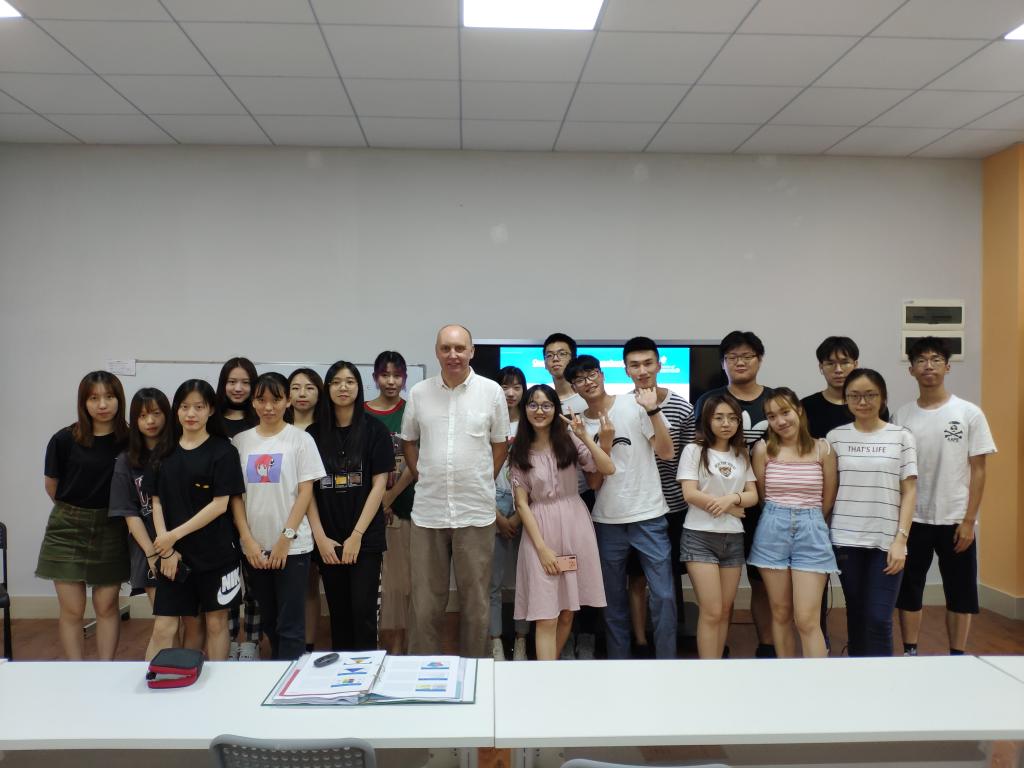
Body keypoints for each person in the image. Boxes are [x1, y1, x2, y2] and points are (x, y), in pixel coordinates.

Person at [401, 325, 510, 658]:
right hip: (428, 513)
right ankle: (422, 670)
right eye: (446, 348)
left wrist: (482, 479)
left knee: (476, 601)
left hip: (475, 512)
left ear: (471, 351)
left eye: (460, 348)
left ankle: (476, 668)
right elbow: (408, 441)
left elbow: (500, 445)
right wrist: (423, 475)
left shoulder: (491, 392)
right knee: (424, 603)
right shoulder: (419, 393)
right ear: (437, 351)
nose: (453, 355)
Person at [565, 354, 677, 659]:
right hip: (607, 520)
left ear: (602, 375)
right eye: (579, 379)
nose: (587, 382)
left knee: (664, 596)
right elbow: (594, 483)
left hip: (649, 515)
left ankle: (668, 663)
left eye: (591, 374)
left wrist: (652, 410)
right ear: (573, 387)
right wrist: (600, 442)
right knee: (612, 601)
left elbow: (667, 452)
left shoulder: (633, 405)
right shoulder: (577, 425)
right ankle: (619, 663)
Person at [894, 337, 996, 656]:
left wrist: (969, 520)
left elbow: (979, 470)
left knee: (961, 592)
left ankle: (957, 655)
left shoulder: (968, 413)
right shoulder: (902, 416)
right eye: (921, 360)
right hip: (914, 518)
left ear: (948, 367)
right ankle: (910, 651)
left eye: (936, 359)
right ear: (911, 369)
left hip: (955, 519)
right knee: (910, 589)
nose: (929, 366)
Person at [509, 384, 614, 659]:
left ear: (555, 409)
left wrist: (585, 436)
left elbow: (607, 468)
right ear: (525, 409)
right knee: (546, 615)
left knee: (568, 611)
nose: (539, 410)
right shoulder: (519, 451)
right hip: (540, 532)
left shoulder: (569, 441)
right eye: (533, 404)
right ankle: (546, 676)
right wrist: (542, 549)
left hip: (575, 527)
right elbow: (521, 504)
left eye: (546, 405)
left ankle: (549, 672)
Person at [148, 379, 245, 661]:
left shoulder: (224, 451)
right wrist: (166, 548)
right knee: (164, 625)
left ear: (211, 410)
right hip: (173, 556)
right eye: (185, 407)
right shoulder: (163, 452)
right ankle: (153, 678)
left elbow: (220, 505)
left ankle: (217, 682)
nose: (191, 413)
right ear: (176, 410)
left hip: (217, 554)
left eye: (199, 407)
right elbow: (156, 502)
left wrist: (172, 536)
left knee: (216, 623)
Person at [231, 372, 326, 660]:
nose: (268, 407)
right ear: (253, 402)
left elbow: (306, 492)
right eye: (261, 400)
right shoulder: (240, 441)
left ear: (287, 401)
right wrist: (247, 540)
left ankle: (291, 680)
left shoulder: (301, 440)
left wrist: (286, 538)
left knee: (291, 624)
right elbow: (235, 496)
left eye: (276, 399)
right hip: (255, 548)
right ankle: (277, 673)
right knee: (269, 621)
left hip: (293, 547)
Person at [38, 371, 130, 660]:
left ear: (119, 399)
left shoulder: (130, 439)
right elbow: (52, 486)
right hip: (67, 528)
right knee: (72, 609)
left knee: (106, 606)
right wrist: (77, 511)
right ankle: (76, 671)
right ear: (83, 402)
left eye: (109, 397)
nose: (102, 404)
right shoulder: (64, 439)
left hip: (112, 527)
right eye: (94, 398)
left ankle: (105, 670)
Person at [693, 330, 774, 658]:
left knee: (763, 580)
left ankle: (767, 646)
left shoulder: (775, 400)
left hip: (767, 506)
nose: (740, 362)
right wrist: (729, 504)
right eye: (732, 357)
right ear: (723, 363)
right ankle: (716, 649)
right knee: (718, 599)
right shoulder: (708, 400)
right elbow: (697, 452)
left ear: (759, 360)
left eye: (747, 356)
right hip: (719, 508)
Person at [828, 369, 917, 657]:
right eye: (854, 395)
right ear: (845, 399)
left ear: (883, 398)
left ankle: (883, 678)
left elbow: (910, 490)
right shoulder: (836, 437)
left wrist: (901, 540)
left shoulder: (901, 436)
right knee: (856, 612)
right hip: (846, 539)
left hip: (887, 541)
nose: (863, 401)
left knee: (879, 618)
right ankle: (858, 673)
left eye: (870, 395)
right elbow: (831, 488)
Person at [308, 361, 394, 651]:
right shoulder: (313, 434)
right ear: (327, 388)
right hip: (327, 539)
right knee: (339, 615)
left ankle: (366, 672)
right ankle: (342, 675)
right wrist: (320, 537)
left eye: (349, 381)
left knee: (364, 613)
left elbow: (379, 485)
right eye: (335, 382)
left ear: (359, 387)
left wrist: (357, 535)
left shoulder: (375, 430)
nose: (342, 388)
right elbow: (307, 491)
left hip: (365, 538)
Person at [748, 388, 838, 658]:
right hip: (772, 529)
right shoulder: (763, 449)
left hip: (812, 529)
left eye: (785, 412)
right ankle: (785, 675)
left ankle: (816, 679)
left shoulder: (823, 449)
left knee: (807, 619)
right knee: (780, 612)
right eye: (771, 416)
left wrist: (808, 520)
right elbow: (762, 496)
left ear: (798, 410)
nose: (780, 421)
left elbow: (828, 499)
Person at [622, 336, 696, 655]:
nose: (642, 371)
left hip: (674, 505)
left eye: (648, 363)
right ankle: (640, 640)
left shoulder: (682, 406)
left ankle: (668, 639)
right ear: (626, 370)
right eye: (635, 365)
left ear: (659, 365)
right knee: (636, 577)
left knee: (669, 578)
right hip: (637, 506)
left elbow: (690, 458)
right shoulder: (622, 406)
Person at [677, 393, 757, 660]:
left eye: (732, 418)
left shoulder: (741, 453)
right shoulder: (694, 450)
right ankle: (707, 670)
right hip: (699, 536)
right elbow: (689, 493)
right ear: (707, 420)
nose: (726, 423)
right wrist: (729, 507)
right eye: (719, 417)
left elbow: (753, 495)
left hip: (733, 538)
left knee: (724, 610)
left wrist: (731, 500)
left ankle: (718, 665)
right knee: (711, 610)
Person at [108, 387, 184, 661]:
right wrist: (152, 554)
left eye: (156, 413)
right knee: (166, 620)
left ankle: (179, 671)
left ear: (167, 415)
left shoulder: (180, 451)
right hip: (149, 549)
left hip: (184, 543)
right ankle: (156, 673)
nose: (150, 421)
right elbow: (130, 514)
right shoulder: (126, 461)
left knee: (185, 621)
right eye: (142, 416)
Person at [543, 331, 597, 659]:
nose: (556, 360)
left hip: (583, 496)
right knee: (557, 573)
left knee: (583, 571)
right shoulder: (543, 399)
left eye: (562, 354)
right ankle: (560, 642)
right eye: (550, 355)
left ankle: (586, 637)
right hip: (549, 502)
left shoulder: (584, 402)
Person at [365, 351, 417, 655]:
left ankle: (398, 649)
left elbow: (415, 461)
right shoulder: (361, 413)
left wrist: (389, 496)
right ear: (375, 378)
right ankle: (371, 648)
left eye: (397, 375)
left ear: (405, 378)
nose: (391, 381)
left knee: (402, 584)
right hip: (365, 511)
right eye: (385, 375)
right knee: (372, 584)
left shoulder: (412, 411)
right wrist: (376, 500)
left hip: (405, 506)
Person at [216, 356, 261, 660]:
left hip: (255, 511)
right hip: (219, 516)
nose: (238, 388)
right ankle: (229, 641)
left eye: (245, 382)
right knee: (227, 583)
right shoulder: (213, 421)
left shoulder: (261, 420)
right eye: (232, 381)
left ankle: (253, 642)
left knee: (255, 584)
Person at [491, 366, 530, 661]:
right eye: (505, 386)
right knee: (491, 582)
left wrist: (518, 515)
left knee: (524, 580)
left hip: (526, 505)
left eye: (517, 387)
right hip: (491, 502)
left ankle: (521, 639)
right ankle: (494, 641)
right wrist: (496, 515)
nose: (510, 393)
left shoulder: (531, 424)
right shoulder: (488, 422)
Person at [286, 367, 324, 651]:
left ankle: (309, 645)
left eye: (309, 387)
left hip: (323, 514)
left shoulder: (326, 429)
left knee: (311, 584)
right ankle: (287, 644)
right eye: (296, 387)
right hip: (287, 516)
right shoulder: (277, 428)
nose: (302, 394)